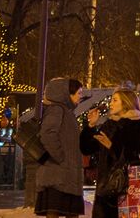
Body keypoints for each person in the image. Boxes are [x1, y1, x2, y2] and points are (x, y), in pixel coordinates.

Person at [82, 87, 140, 218]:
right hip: (105, 188)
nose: (110, 104)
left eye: (114, 100)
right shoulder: (109, 125)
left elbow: (136, 156)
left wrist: (112, 146)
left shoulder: (139, 126)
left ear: (126, 103)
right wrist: (91, 126)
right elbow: (87, 149)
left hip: (128, 189)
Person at [37, 77, 86, 218]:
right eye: (78, 93)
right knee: (56, 212)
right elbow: (47, 134)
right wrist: (61, 157)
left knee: (69, 212)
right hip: (58, 175)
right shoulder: (57, 110)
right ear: (66, 94)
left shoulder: (66, 112)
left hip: (65, 175)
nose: (80, 96)